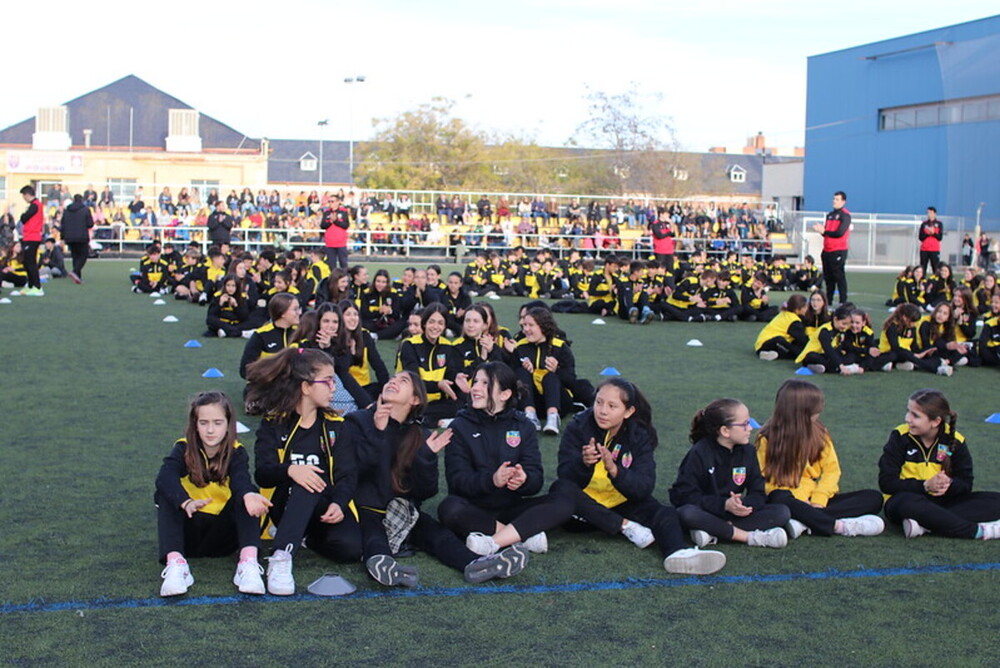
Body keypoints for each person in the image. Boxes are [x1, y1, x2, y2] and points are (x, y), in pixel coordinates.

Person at [343, 371, 529, 587]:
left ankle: (477, 564)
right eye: (392, 378)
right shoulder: (357, 421)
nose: (392, 381)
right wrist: (378, 432)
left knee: (437, 533)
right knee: (373, 533)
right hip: (363, 508)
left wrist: (427, 457)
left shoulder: (419, 433)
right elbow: (354, 471)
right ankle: (383, 565)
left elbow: (425, 491)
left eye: (403, 381)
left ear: (415, 399)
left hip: (402, 511)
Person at [551, 378, 726, 575]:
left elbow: (644, 487)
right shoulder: (578, 426)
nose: (602, 410)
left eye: (612, 406)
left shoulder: (639, 435)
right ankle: (625, 527)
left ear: (628, 411)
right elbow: (565, 475)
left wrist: (616, 471)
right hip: (583, 512)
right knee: (560, 490)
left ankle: (677, 553)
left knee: (664, 513)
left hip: (621, 501)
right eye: (598, 402)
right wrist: (583, 463)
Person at [247, 348, 362, 595]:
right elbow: (263, 473)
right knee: (307, 478)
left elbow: (347, 474)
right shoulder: (274, 423)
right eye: (328, 381)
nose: (334, 387)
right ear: (306, 387)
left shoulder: (337, 426)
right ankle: (280, 557)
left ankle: (301, 537)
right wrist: (290, 471)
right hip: (283, 503)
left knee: (351, 549)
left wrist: (339, 504)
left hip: (321, 507)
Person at [438, 362, 574, 556]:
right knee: (449, 509)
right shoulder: (461, 425)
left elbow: (536, 478)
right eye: (475, 381)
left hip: (512, 508)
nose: (475, 388)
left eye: (485, 383)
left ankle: (493, 542)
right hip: (474, 508)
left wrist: (523, 479)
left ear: (505, 394)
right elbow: (457, 480)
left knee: (564, 501)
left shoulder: (523, 426)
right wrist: (492, 480)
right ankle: (521, 537)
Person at [155, 391, 271, 596]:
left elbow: (240, 480)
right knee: (164, 493)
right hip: (189, 533)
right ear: (195, 425)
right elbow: (165, 477)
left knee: (248, 494)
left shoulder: (236, 451)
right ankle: (176, 564)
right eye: (203, 423)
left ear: (228, 424)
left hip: (222, 536)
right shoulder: (184, 449)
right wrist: (185, 502)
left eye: (218, 423)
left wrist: (247, 494)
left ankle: (248, 563)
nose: (210, 430)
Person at [756, 380, 884, 539]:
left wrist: (818, 501)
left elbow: (832, 471)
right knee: (778, 497)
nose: (820, 412)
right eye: (816, 410)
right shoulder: (767, 438)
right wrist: (801, 502)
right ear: (801, 412)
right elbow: (766, 481)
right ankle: (838, 526)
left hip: (817, 500)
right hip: (790, 499)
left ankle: (805, 522)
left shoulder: (820, 433)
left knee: (873, 498)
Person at [879, 388, 1000, 540]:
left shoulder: (956, 440)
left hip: (943, 503)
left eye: (915, 415)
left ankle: (924, 526)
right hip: (907, 500)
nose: (907, 419)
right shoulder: (900, 436)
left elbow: (966, 484)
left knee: (996, 500)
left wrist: (949, 484)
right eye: (908, 411)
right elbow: (886, 483)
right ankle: (978, 531)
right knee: (907, 503)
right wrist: (925, 486)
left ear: (936, 421)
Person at [668, 398, 791, 548]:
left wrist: (743, 505)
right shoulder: (700, 453)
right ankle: (749, 537)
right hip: (707, 511)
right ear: (725, 431)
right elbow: (682, 496)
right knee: (686, 513)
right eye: (745, 424)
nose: (750, 428)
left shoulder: (748, 451)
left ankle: (714, 531)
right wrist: (724, 505)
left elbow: (758, 492)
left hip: (735, 514)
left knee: (782, 512)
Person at [515, 307, 594, 435]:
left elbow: (571, 380)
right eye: (524, 325)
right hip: (530, 401)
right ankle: (530, 415)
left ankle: (553, 418)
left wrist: (557, 370)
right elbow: (512, 376)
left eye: (530, 325)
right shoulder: (520, 346)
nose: (525, 329)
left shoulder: (560, 346)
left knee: (550, 376)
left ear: (543, 327)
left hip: (558, 402)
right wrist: (525, 370)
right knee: (521, 372)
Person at [395, 303, 460, 426]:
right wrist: (438, 385)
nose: (436, 327)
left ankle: (429, 420)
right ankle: (434, 421)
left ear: (445, 326)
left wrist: (457, 378)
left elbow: (450, 374)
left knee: (463, 404)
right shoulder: (409, 344)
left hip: (437, 401)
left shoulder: (447, 345)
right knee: (409, 410)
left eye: (440, 323)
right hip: (413, 399)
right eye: (432, 322)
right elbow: (414, 382)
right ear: (424, 323)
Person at [239, 293, 301, 379]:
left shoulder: (299, 333)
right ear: (282, 313)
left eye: (299, 309)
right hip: (266, 385)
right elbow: (245, 370)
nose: (299, 313)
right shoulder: (261, 335)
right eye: (295, 309)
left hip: (290, 386)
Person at [811, 191, 851, 305]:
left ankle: (843, 301)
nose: (834, 201)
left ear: (843, 202)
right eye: (834, 199)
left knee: (839, 276)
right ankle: (828, 301)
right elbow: (827, 233)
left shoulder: (845, 215)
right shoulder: (830, 215)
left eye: (837, 199)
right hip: (827, 250)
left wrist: (825, 231)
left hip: (838, 250)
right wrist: (821, 231)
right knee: (828, 278)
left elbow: (839, 233)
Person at [754, 294, 808, 361]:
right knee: (799, 352)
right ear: (797, 309)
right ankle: (768, 353)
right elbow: (803, 340)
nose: (807, 309)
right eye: (805, 307)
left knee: (793, 346)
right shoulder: (794, 321)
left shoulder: (786, 314)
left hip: (763, 343)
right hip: (767, 344)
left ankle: (773, 354)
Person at [58, 194, 93, 283]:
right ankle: (75, 271)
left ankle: (77, 277)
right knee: (83, 255)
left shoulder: (66, 211)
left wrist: (62, 237)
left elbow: (63, 225)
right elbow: (90, 224)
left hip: (69, 237)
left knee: (75, 256)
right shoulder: (85, 210)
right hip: (82, 237)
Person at [18, 185, 44, 296]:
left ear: (27, 195)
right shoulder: (35, 205)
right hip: (29, 236)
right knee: (27, 262)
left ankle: (37, 286)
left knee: (31, 262)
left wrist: (23, 215)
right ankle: (31, 285)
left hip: (32, 237)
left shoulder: (35, 206)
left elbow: (24, 218)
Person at [320, 195, 350, 269]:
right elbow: (323, 225)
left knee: (343, 265)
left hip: (341, 243)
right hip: (330, 243)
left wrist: (336, 221)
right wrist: (330, 222)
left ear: (337, 202)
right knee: (331, 266)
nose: (330, 203)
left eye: (332, 201)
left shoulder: (343, 212)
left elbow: (346, 225)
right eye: (329, 201)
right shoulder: (326, 212)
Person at [918, 207, 943, 276]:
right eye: (928, 213)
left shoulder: (939, 224)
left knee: (935, 267)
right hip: (924, 249)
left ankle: (936, 283)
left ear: (935, 213)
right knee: (923, 267)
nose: (929, 214)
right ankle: (922, 282)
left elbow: (940, 238)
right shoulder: (924, 224)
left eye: (931, 213)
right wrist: (927, 233)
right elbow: (920, 237)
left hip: (934, 249)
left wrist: (933, 233)